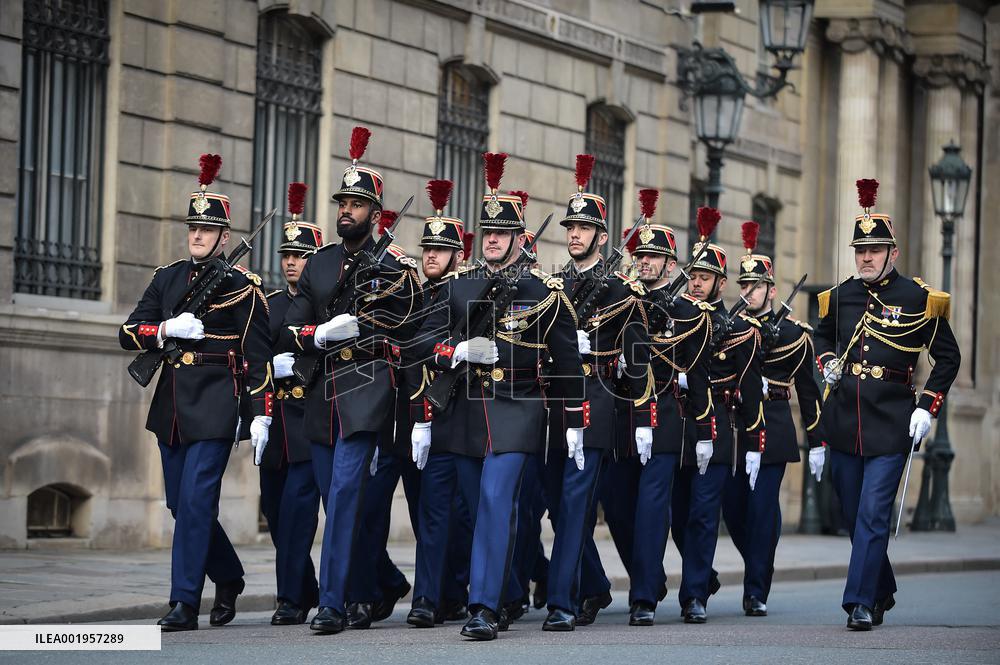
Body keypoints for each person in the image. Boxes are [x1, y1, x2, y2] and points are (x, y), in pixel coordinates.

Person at [410, 152, 589, 641]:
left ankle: (484, 606)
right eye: (486, 233)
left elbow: (569, 363)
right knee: (482, 509)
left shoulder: (544, 294)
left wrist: (574, 422)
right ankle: (507, 594)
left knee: (493, 500)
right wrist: (457, 350)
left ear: (517, 239)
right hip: (466, 412)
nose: (491, 240)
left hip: (517, 410)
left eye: (500, 233)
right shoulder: (459, 289)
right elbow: (419, 342)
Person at [119, 154, 272, 631]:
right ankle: (227, 575)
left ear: (225, 237)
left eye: (207, 230)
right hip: (171, 405)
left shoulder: (242, 286)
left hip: (216, 402)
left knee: (198, 502)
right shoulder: (166, 278)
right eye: (193, 228)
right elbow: (129, 332)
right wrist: (164, 328)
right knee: (178, 505)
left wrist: (259, 412)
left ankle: (183, 601)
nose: (198, 236)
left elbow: (257, 354)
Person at [277, 126, 420, 634]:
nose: (346, 210)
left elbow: (408, 326)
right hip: (321, 394)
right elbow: (288, 323)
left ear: (375, 214)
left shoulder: (397, 267)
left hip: (367, 390)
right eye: (343, 201)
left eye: (357, 204)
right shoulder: (319, 264)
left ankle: (332, 604)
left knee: (342, 498)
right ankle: (379, 583)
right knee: (337, 502)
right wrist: (318, 333)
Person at [815, 178, 960, 630]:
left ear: (892, 253)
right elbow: (821, 337)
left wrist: (927, 407)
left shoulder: (917, 298)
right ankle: (883, 588)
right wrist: (825, 362)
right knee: (852, 513)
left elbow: (948, 357)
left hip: (890, 422)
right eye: (860, 251)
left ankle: (859, 602)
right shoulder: (840, 296)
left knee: (874, 513)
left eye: (875, 250)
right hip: (844, 422)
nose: (866, 258)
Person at [542, 157, 655, 632]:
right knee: (554, 502)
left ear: (601, 237)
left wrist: (644, 418)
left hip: (597, 402)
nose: (574, 234)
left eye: (584, 228)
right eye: (570, 226)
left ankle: (560, 603)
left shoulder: (621, 291)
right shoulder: (552, 284)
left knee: (574, 503)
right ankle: (593, 585)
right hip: (551, 403)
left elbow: (640, 357)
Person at [724, 221, 824, 617]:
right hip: (735, 426)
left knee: (763, 507)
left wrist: (817, 439)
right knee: (733, 508)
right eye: (743, 286)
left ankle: (755, 589)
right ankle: (759, 559)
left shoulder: (795, 336)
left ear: (771, 290)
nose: (747, 292)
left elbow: (809, 391)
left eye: (756, 286)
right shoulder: (729, 329)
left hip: (774, 427)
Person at [625, 189, 716, 626]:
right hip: (625, 413)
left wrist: (704, 431)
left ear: (671, 264)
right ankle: (647, 585)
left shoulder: (691, 314)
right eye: (640, 255)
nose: (644, 261)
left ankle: (677, 594)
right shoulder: (623, 302)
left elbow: (698, 376)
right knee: (630, 506)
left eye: (653, 256)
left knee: (676, 510)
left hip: (667, 416)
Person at [671, 207, 766, 624]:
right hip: (678, 430)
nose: (695, 282)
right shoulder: (673, 319)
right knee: (676, 515)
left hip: (719, 430)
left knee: (703, 514)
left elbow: (749, 390)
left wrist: (754, 443)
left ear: (720, 285)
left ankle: (693, 596)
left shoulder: (739, 330)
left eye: (704, 278)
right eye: (692, 276)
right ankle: (703, 574)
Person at [259, 182, 322, 626]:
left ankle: (291, 600)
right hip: (276, 419)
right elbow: (253, 351)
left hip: (309, 419)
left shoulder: (323, 305)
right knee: (274, 508)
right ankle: (310, 586)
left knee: (300, 511)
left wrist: (297, 367)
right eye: (286, 256)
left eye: (299, 256)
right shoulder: (269, 303)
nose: (291, 262)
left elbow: (331, 355)